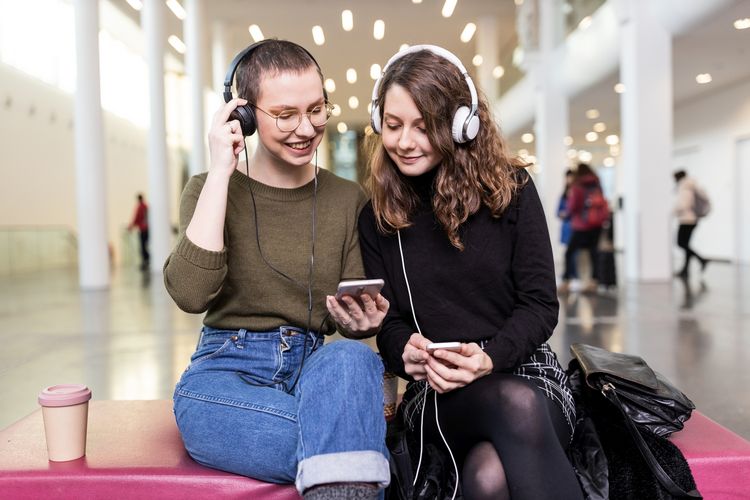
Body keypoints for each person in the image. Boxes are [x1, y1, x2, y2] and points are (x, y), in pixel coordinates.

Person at [163, 39, 390, 500]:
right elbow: (190, 294)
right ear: (242, 116)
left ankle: (353, 456)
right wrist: (222, 172)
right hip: (224, 372)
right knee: (350, 442)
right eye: (285, 115)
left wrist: (360, 323)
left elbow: (347, 318)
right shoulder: (208, 189)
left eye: (316, 110)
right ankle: (364, 459)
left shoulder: (348, 199)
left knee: (353, 358)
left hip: (316, 366)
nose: (306, 128)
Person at [359, 45, 582, 500]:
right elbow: (389, 325)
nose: (404, 141)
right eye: (395, 125)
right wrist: (406, 349)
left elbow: (540, 305)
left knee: (488, 475)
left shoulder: (512, 191)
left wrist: (489, 358)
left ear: (462, 124)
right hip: (439, 389)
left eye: (424, 127)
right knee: (511, 409)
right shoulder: (377, 215)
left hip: (525, 372)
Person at [558, 163, 609, 294]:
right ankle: (594, 281)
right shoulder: (597, 183)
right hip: (597, 224)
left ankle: (566, 281)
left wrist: (566, 214)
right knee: (593, 252)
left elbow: (573, 205)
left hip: (581, 225)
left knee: (569, 252)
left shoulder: (577, 185)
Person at [673, 169, 709, 279]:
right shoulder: (691, 186)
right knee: (686, 244)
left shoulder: (685, 188)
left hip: (687, 220)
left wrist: (674, 211)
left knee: (681, 243)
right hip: (692, 219)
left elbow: (685, 205)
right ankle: (685, 269)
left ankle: (702, 259)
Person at [557, 169, 577, 282]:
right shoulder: (564, 194)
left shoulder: (577, 192)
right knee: (569, 253)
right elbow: (558, 211)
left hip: (575, 228)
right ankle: (569, 276)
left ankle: (572, 276)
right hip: (566, 228)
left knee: (572, 253)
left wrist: (568, 213)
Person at [128, 193, 149, 270]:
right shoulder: (146, 206)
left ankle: (145, 261)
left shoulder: (140, 207)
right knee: (146, 245)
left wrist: (130, 226)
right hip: (147, 229)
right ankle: (147, 260)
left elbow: (136, 217)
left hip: (143, 229)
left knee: (142, 246)